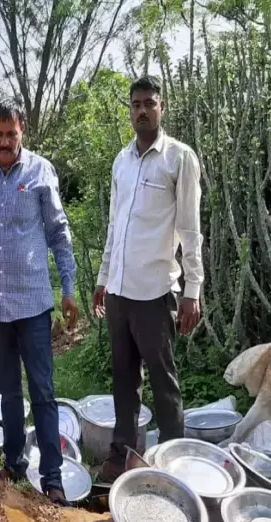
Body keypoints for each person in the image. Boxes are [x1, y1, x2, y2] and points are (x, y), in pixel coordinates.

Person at [0, 99, 78, 506]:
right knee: (9, 391)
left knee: (42, 391)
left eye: (11, 134)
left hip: (34, 305)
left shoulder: (41, 171)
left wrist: (68, 287)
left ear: (22, 130)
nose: (5, 141)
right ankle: (12, 461)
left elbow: (59, 233)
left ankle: (53, 476)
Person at [93, 75, 203, 483]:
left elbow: (191, 231)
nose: (142, 110)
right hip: (120, 292)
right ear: (130, 109)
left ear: (162, 107)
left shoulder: (179, 159)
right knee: (123, 378)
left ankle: (175, 466)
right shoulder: (121, 161)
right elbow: (114, 226)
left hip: (156, 291)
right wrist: (104, 277)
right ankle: (122, 454)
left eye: (149, 103)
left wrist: (193, 290)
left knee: (163, 381)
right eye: (136, 103)